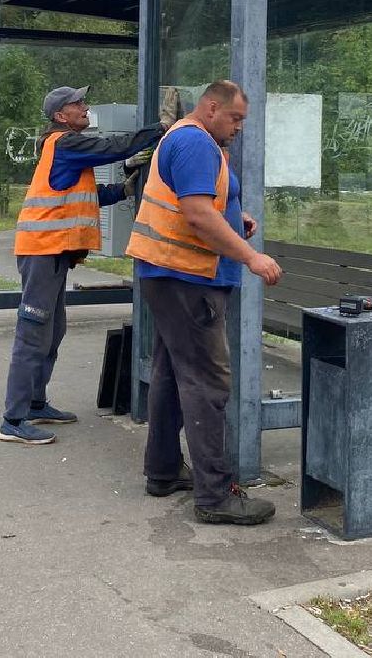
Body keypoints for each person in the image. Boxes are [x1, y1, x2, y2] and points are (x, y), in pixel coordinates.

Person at [126, 79, 283, 525]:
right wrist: (251, 256)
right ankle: (215, 496)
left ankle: (163, 471)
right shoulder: (196, 142)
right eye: (235, 118)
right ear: (211, 107)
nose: (239, 127)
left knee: (170, 375)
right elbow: (196, 214)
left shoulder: (186, 139)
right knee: (207, 383)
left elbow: (202, 204)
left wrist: (234, 215)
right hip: (189, 279)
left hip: (170, 276)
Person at [0, 85, 165, 447]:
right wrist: (161, 128)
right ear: (61, 116)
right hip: (43, 250)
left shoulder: (63, 148)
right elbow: (115, 147)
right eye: (78, 104)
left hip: (53, 251)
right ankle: (13, 419)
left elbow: (84, 196)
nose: (85, 107)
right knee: (33, 332)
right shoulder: (66, 143)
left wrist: (123, 190)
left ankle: (35, 403)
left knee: (52, 330)